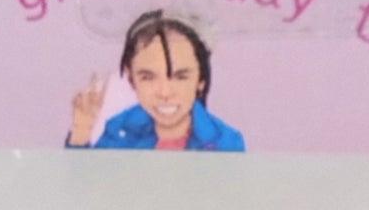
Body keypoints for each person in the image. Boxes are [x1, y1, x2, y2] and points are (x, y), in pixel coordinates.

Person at [66, 11, 245, 152]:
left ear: (201, 79)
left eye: (181, 77)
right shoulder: (120, 129)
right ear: (131, 78)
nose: (165, 92)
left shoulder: (225, 141)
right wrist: (80, 134)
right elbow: (87, 184)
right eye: (148, 77)